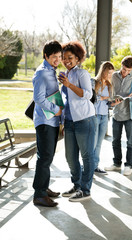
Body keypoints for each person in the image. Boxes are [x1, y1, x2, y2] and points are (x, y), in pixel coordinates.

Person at [58, 41, 97, 202]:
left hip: (85, 120)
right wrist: (62, 121)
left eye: (70, 58)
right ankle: (77, 185)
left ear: (78, 58)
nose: (66, 61)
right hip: (69, 121)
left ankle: (85, 190)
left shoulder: (82, 74)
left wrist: (69, 85)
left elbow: (88, 94)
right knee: (70, 156)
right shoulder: (65, 74)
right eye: (64, 58)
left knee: (87, 156)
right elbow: (66, 101)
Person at [104, 56, 132, 176]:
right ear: (121, 65)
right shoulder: (114, 76)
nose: (126, 72)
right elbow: (110, 90)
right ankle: (117, 163)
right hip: (117, 112)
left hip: (130, 114)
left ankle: (128, 165)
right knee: (115, 140)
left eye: (128, 70)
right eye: (124, 69)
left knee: (130, 141)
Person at [32, 40, 63, 207]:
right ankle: (39, 194)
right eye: (54, 57)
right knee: (44, 157)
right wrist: (55, 109)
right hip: (45, 121)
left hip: (52, 120)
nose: (57, 60)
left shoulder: (51, 71)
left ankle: (44, 187)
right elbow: (38, 98)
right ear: (46, 56)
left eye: (59, 56)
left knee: (48, 156)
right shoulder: (42, 73)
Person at [92, 61, 115, 175]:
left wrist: (113, 102)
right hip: (95, 115)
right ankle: (88, 166)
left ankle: (95, 166)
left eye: (112, 73)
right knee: (93, 142)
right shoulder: (94, 82)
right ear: (104, 71)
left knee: (99, 143)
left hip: (105, 116)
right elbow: (90, 99)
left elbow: (108, 103)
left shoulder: (109, 85)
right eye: (109, 73)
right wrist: (102, 97)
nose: (110, 75)